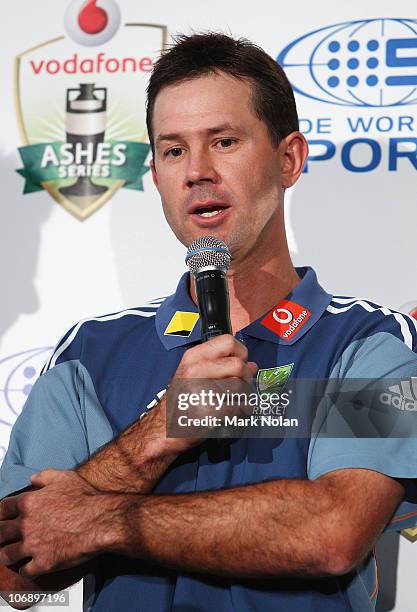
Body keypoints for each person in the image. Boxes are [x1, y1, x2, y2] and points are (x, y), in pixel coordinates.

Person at [0, 32, 417, 612]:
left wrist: (97, 517)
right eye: (173, 151)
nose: (197, 171)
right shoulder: (89, 353)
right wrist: (159, 433)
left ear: (289, 158)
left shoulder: (375, 342)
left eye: (224, 141)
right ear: (156, 175)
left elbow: (332, 531)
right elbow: (12, 566)